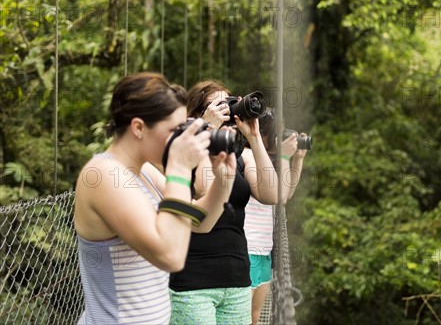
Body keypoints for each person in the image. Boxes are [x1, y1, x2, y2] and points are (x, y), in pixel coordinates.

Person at [74, 72, 237, 325]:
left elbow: (199, 222)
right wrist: (180, 169)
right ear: (138, 127)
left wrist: (223, 181)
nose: (180, 139)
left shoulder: (145, 172)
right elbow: (170, 256)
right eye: (174, 130)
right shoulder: (103, 174)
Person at [169, 80, 294, 325]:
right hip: (194, 281)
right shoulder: (182, 153)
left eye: (230, 102)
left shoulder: (240, 155)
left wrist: (254, 137)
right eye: (219, 104)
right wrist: (206, 129)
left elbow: (273, 195)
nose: (228, 110)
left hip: (237, 279)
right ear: (198, 113)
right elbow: (203, 188)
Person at [245, 108, 308, 325]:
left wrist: (296, 159)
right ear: (260, 134)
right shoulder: (249, 158)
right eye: (275, 133)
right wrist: (282, 156)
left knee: (254, 317)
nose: (278, 138)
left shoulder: (268, 162)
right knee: (241, 318)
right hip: (248, 248)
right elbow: (279, 197)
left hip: (263, 249)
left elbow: (286, 195)